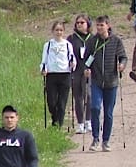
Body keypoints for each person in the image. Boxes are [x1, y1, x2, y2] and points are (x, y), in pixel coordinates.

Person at [84, 15, 127, 152]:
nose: (99, 28)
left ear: (108, 26)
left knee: (108, 112)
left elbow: (123, 57)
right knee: (95, 108)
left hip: (111, 81)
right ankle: (95, 138)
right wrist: (86, 69)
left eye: (102, 25)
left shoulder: (116, 41)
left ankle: (106, 140)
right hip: (96, 80)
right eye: (98, 25)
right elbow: (87, 58)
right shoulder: (92, 41)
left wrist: (122, 65)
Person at [40, 21, 75, 128]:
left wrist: (73, 64)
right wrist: (43, 69)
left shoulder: (67, 45)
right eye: (57, 30)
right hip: (51, 75)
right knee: (51, 102)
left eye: (61, 30)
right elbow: (44, 60)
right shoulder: (48, 45)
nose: (59, 32)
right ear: (52, 31)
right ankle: (55, 118)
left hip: (64, 74)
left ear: (63, 32)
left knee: (62, 102)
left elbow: (72, 57)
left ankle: (58, 124)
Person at [67, 15, 92, 134]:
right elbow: (67, 53)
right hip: (76, 70)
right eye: (77, 23)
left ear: (88, 24)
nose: (79, 24)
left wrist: (88, 65)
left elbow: (94, 54)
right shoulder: (71, 38)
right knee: (78, 97)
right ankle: (80, 123)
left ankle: (89, 121)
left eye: (82, 22)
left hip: (88, 70)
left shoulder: (92, 38)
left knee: (89, 95)